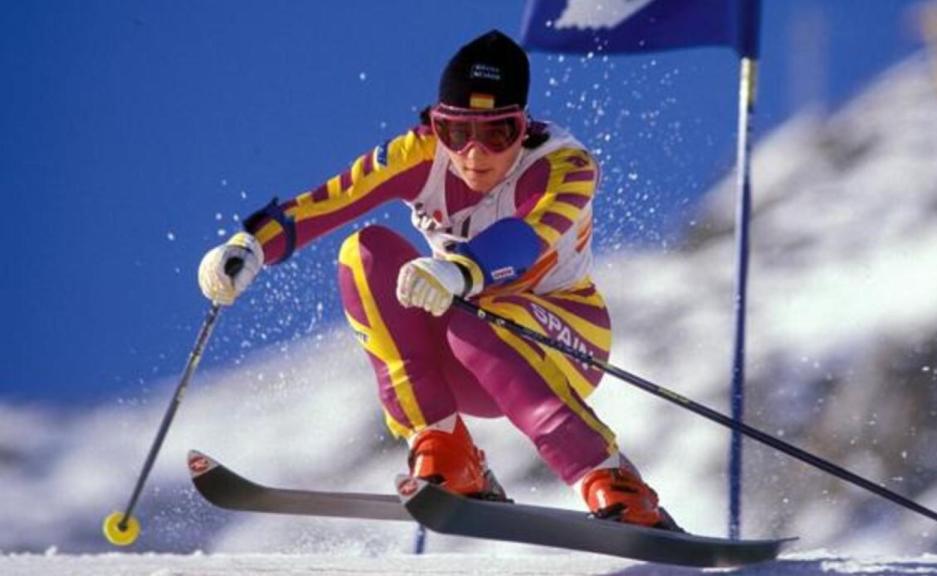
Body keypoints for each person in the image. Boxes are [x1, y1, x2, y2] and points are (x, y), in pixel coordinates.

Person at [198, 30, 677, 529]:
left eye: (498, 133)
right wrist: (249, 246)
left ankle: (609, 478)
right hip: (462, 350)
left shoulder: (564, 165)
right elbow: (331, 199)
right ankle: (445, 446)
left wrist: (461, 269)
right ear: (434, 126)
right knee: (363, 254)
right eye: (455, 133)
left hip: (565, 338)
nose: (474, 153)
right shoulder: (417, 155)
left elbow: (530, 236)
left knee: (477, 318)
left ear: (525, 127)